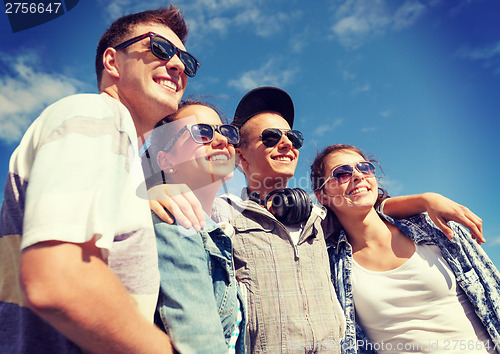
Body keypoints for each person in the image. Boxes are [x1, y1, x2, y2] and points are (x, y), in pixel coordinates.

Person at [152, 86, 485, 353]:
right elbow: (183, 196)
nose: (285, 143)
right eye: (269, 138)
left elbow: (368, 205)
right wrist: (159, 190)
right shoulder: (222, 216)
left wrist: (426, 199)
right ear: (240, 156)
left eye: (292, 138)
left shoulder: (322, 217)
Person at [0, 5, 199, 353]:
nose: (178, 65)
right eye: (160, 48)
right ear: (112, 62)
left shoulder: (119, 153)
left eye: (187, 61)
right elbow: (60, 279)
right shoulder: (96, 114)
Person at [311, 144, 500, 353]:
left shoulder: (437, 229)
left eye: (364, 167)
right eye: (341, 173)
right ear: (323, 196)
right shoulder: (329, 267)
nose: (357, 176)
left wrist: (428, 198)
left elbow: (494, 293)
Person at [145, 100, 245, 353]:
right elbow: (200, 344)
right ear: (166, 160)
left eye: (228, 133)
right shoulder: (173, 219)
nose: (222, 141)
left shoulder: (214, 233)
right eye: (202, 132)